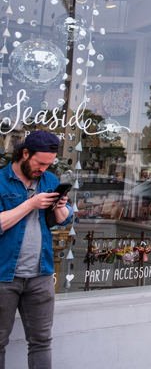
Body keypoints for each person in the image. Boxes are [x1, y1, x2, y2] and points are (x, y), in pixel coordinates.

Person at [0, 131, 73, 369]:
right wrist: (31, 204)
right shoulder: (1, 180)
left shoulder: (49, 179)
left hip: (40, 274)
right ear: (25, 153)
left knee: (41, 342)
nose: (43, 169)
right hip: (4, 275)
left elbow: (63, 220)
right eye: (40, 163)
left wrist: (60, 205)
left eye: (48, 164)